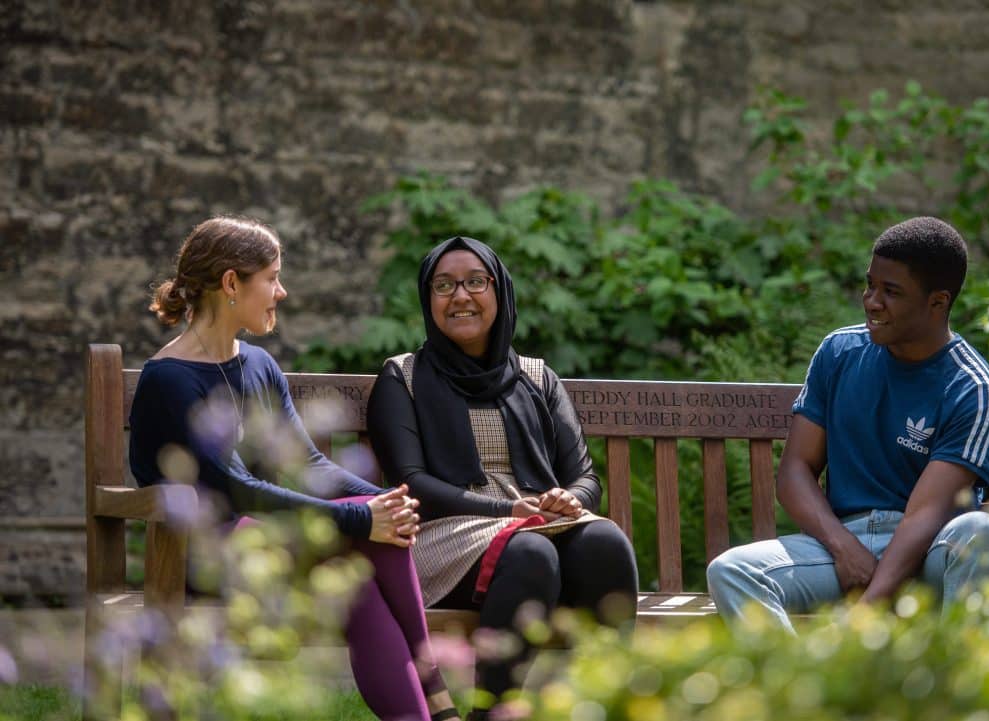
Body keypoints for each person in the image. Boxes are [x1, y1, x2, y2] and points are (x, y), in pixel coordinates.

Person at [128, 215, 459, 721]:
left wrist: (387, 502)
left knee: (360, 583)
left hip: (269, 541)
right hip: (201, 555)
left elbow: (308, 465)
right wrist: (361, 518)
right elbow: (234, 489)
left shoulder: (259, 365)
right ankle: (433, 688)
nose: (281, 292)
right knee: (363, 541)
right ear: (232, 284)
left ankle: (423, 713)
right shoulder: (169, 380)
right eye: (272, 278)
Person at [366, 236, 638, 720]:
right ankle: (492, 712)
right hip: (445, 530)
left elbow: (584, 477)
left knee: (606, 543)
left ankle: (604, 703)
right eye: (444, 286)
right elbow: (413, 483)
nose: (460, 296)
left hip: (536, 524)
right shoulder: (401, 377)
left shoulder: (537, 377)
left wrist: (566, 500)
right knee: (529, 551)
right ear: (428, 301)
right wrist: (506, 510)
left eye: (475, 282)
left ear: (500, 291)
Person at [706, 216, 989, 633]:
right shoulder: (840, 352)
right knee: (731, 570)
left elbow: (924, 517)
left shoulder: (973, 389)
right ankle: (806, 694)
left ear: (937, 302)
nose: (872, 301)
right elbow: (795, 471)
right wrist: (842, 547)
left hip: (927, 554)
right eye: (870, 285)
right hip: (838, 546)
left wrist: (862, 617)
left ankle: (956, 692)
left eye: (891, 292)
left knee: (985, 532)